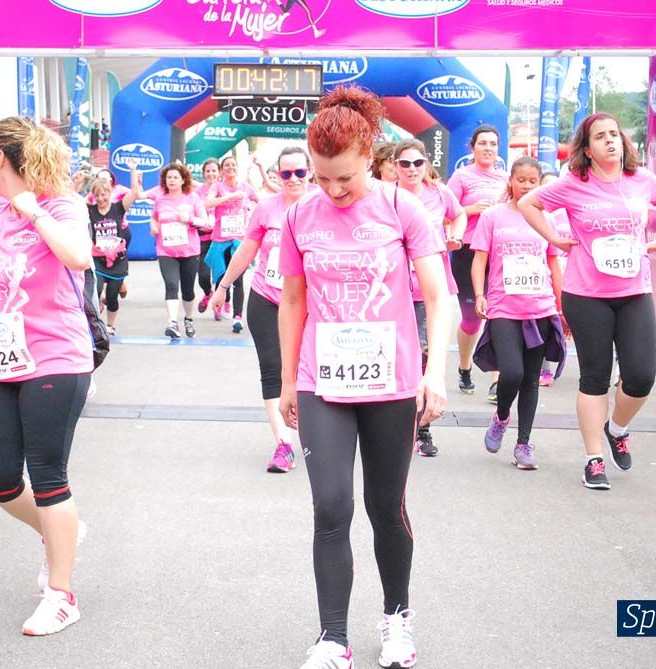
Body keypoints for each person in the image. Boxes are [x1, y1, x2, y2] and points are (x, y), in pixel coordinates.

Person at [278, 86, 451, 669]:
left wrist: (436, 370)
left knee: (385, 506)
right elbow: (293, 300)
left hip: (392, 382)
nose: (331, 190)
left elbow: (438, 296)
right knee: (330, 507)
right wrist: (285, 382)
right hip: (322, 380)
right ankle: (332, 638)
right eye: (320, 178)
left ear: (369, 154)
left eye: (344, 179)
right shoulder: (299, 214)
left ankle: (396, 618)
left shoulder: (404, 209)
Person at [0, 116, 94, 635]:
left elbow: (78, 257)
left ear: (0, 159)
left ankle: (61, 594)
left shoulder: (61, 203)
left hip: (55, 357)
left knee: (49, 479)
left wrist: (34, 214)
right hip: (3, 361)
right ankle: (61, 534)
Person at [517, 112, 656, 490]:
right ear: (587, 150)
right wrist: (555, 240)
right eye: (601, 137)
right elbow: (529, 204)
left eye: (614, 135)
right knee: (595, 377)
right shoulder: (573, 184)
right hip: (586, 293)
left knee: (641, 376)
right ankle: (593, 459)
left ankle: (617, 428)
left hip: (634, 292)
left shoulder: (641, 181)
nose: (610, 141)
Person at [211, 147, 310, 472]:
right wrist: (223, 287)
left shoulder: (322, 208)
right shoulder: (267, 209)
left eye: (299, 172)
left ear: (310, 171)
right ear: (277, 175)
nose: (293, 179)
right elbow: (246, 252)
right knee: (273, 369)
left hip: (310, 305)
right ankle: (284, 444)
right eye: (286, 174)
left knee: (305, 371)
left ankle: (314, 434)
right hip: (267, 298)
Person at [469, 158, 566, 471]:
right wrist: (480, 295)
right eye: (521, 179)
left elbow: (553, 263)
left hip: (540, 307)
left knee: (532, 380)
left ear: (540, 184)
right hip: (503, 306)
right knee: (512, 373)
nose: (526, 185)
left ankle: (523, 444)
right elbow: (479, 260)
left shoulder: (545, 218)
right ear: (510, 181)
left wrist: (563, 308)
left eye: (532, 181)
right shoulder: (493, 216)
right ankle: (500, 417)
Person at [393, 139, 466, 458]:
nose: (412, 169)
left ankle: (421, 429)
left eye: (417, 163)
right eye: (405, 164)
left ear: (426, 164)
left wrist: (455, 236)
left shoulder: (439, 193)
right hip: (393, 290)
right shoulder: (386, 195)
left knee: (424, 356)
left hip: (429, 290)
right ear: (395, 166)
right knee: (396, 356)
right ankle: (393, 426)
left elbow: (459, 215)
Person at [446, 125, 509, 401]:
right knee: (472, 320)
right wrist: (471, 210)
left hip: (497, 251)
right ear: (472, 147)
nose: (488, 148)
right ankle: (464, 366)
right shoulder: (461, 176)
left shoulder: (505, 178)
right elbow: (445, 214)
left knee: (497, 314)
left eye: (493, 144)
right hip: (467, 251)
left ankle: (497, 379)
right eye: (482, 143)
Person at [150, 163, 208, 338]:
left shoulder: (192, 198)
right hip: (166, 250)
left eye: (175, 177)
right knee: (171, 285)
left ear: (183, 180)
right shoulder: (160, 199)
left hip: (189, 251)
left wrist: (189, 219)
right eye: (169, 178)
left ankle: (189, 319)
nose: (172, 180)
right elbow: (154, 218)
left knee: (188, 289)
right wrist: (153, 227)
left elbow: (204, 221)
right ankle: (173, 323)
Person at [205, 156, 260, 333]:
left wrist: (252, 215)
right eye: (227, 166)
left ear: (237, 168)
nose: (230, 168)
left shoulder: (246, 187)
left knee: (238, 278)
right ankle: (221, 302)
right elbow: (208, 203)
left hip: (239, 240)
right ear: (222, 170)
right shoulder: (217, 187)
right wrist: (229, 197)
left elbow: (260, 201)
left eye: (233, 165)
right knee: (221, 276)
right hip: (221, 240)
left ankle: (237, 317)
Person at [89, 166, 141, 336]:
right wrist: (77, 183)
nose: (101, 199)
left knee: (112, 296)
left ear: (110, 194)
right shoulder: (90, 211)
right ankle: (95, 322)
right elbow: (72, 200)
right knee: (95, 291)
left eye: (104, 195)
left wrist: (133, 170)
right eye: (97, 196)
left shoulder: (118, 208)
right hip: (98, 258)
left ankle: (111, 325)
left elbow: (134, 192)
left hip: (117, 259)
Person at [537, 171, 570, 388]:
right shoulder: (536, 216)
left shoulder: (571, 211)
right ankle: (544, 368)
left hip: (572, 275)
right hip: (545, 277)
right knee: (545, 324)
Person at [195, 158, 220, 317]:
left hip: (219, 238)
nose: (211, 174)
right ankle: (207, 292)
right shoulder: (197, 193)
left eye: (214, 171)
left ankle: (219, 304)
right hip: (202, 238)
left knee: (220, 273)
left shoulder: (224, 190)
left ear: (219, 172)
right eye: (208, 171)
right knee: (203, 275)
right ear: (203, 173)